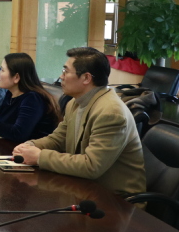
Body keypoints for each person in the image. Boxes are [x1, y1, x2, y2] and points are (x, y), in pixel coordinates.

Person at [13, 47, 146, 196]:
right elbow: (58, 139)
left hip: (115, 198)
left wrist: (39, 157)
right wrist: (30, 146)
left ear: (86, 78)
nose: (61, 77)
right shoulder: (75, 103)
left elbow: (92, 166)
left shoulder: (110, 112)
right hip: (84, 187)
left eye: (65, 71)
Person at [0, 53, 60, 143]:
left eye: (2, 70)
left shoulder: (33, 99)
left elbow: (18, 133)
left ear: (16, 77)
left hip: (34, 151)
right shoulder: (10, 93)